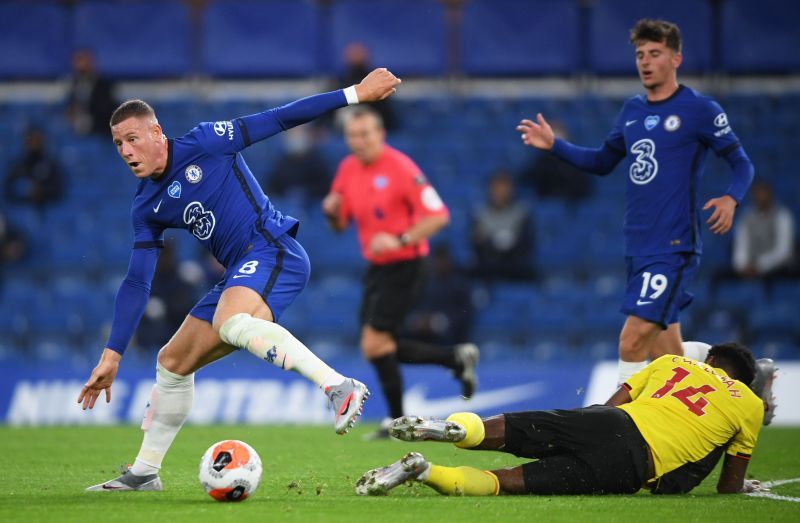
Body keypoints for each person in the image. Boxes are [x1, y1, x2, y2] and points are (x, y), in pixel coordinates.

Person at [79, 67, 402, 492]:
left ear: (157, 133)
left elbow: (279, 118)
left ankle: (338, 386)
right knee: (171, 363)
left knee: (229, 322)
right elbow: (138, 281)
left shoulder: (205, 142)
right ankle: (144, 473)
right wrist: (112, 354)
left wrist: (354, 93)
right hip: (240, 270)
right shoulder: (146, 207)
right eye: (119, 143)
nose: (125, 150)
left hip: (273, 249)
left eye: (132, 139)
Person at [516, 19, 755, 386]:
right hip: (639, 246)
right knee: (667, 356)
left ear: (676, 59)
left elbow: (742, 163)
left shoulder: (699, 110)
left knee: (631, 341)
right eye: (640, 54)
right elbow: (601, 162)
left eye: (655, 53)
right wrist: (555, 146)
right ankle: (749, 374)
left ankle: (615, 424)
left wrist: (731, 198)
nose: (645, 61)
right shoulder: (632, 110)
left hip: (674, 246)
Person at [356, 342, 766, 496]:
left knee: (506, 430)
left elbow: (615, 400)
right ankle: (425, 472)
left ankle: (457, 427)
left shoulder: (674, 362)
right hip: (632, 463)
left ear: (710, 360)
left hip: (608, 421)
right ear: (742, 380)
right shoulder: (748, 403)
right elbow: (729, 483)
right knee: (508, 481)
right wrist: (739, 486)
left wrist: (590, 424)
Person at [322, 108, 479, 439]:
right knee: (376, 347)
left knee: (376, 342)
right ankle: (453, 359)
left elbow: (439, 216)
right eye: (353, 136)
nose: (359, 142)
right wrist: (331, 213)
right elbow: (339, 225)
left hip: (407, 264)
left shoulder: (401, 167)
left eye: (365, 134)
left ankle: (396, 423)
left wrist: (399, 238)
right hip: (377, 267)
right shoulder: (347, 169)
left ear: (381, 134)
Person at [470, 171, 535, 281]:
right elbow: (476, 243)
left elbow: (526, 242)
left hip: (515, 264)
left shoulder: (521, 213)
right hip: (488, 264)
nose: (499, 192)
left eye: (504, 188)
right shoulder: (481, 214)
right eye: (496, 188)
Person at [733, 180, 795, 281]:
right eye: (757, 194)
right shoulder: (746, 217)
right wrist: (742, 266)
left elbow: (783, 251)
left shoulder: (782, 215)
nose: (760, 197)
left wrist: (760, 266)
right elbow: (741, 246)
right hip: (750, 268)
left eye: (763, 194)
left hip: (778, 270)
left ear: (770, 195)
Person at [518, 120, 594, 203]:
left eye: (559, 134)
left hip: (571, 205)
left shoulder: (575, 161)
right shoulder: (540, 162)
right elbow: (526, 179)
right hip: (545, 204)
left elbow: (583, 186)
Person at [263, 125, 332, 200]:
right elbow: (271, 188)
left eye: (299, 133)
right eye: (293, 134)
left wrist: (306, 193)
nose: (296, 137)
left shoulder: (318, 160)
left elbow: (325, 187)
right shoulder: (281, 163)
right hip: (287, 205)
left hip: (311, 203)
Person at [4, 127, 64, 209]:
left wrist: (42, 190)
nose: (34, 144)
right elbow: (8, 190)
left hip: (47, 208)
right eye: (31, 140)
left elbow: (59, 189)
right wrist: (25, 190)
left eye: (37, 140)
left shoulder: (51, 165)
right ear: (25, 142)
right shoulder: (17, 165)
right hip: (22, 208)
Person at [65, 49, 117, 136]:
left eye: (82, 60)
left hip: (99, 129)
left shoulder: (104, 85)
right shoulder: (71, 84)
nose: (80, 64)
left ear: (91, 62)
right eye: (77, 61)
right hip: (76, 128)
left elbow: (106, 110)